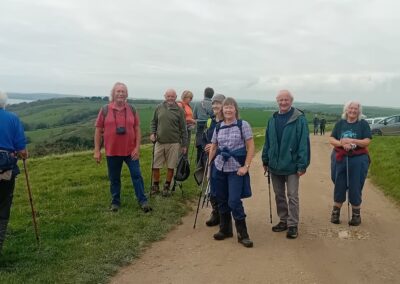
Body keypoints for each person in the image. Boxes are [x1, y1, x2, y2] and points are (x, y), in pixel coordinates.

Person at [94, 82, 151, 213]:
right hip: (112, 152)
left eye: (123, 91)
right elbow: (98, 130)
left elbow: (137, 128)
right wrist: (97, 150)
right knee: (114, 178)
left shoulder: (132, 109)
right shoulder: (105, 109)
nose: (120, 94)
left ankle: (143, 200)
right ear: (113, 94)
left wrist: (137, 147)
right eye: (118, 91)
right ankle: (115, 202)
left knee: (137, 175)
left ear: (126, 94)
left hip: (131, 150)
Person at [262, 90, 310, 239]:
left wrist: (303, 164)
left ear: (291, 101)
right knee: (279, 195)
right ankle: (283, 220)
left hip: (292, 165)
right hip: (274, 165)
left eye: (286, 100)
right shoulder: (272, 119)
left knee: (292, 195)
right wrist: (265, 160)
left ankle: (293, 224)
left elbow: (303, 143)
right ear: (277, 101)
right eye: (281, 100)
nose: (283, 102)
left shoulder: (299, 119)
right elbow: (268, 142)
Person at [208, 97, 255, 248]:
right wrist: (210, 167)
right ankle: (225, 229)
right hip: (219, 167)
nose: (228, 110)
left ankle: (243, 234)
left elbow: (251, 147)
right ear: (222, 110)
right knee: (221, 199)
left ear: (236, 109)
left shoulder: (243, 125)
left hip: (236, 169)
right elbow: (214, 147)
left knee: (234, 201)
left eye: (231, 107)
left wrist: (246, 166)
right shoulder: (218, 127)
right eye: (225, 107)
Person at [329, 101, 371, 226]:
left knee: (355, 185)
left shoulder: (363, 124)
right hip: (340, 157)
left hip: (358, 159)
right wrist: (342, 143)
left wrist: (353, 141)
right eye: (350, 108)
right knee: (339, 183)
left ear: (359, 111)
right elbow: (332, 138)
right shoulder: (340, 123)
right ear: (346, 110)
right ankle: (335, 213)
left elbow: (367, 141)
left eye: (355, 109)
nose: (353, 111)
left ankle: (356, 216)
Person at [0, 91, 28, 253]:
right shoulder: (13, 119)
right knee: (2, 209)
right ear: (5, 103)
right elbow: (22, 151)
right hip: (5, 173)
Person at [150, 89, 187, 197]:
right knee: (155, 165)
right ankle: (155, 186)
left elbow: (183, 128)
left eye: (172, 96)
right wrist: (153, 133)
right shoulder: (159, 108)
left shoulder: (180, 111)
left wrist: (184, 144)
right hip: (160, 142)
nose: (170, 98)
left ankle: (167, 187)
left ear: (176, 97)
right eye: (168, 96)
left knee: (171, 166)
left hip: (174, 143)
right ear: (165, 96)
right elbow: (154, 122)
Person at [201, 94, 225, 227]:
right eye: (214, 103)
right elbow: (204, 137)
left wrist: (216, 146)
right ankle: (215, 212)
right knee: (211, 187)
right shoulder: (210, 121)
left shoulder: (227, 122)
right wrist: (206, 145)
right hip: (209, 158)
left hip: (222, 160)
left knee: (221, 188)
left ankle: (223, 214)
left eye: (219, 103)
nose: (215, 106)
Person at [193, 87, 214, 164]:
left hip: (200, 128)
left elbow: (194, 117)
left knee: (199, 147)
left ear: (204, 94)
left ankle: (199, 164)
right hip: (210, 128)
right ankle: (207, 163)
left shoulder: (198, 103)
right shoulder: (214, 104)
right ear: (212, 95)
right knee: (208, 146)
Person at [177, 90, 196, 157]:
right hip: (182, 129)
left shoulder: (188, 105)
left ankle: (184, 163)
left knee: (186, 147)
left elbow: (189, 115)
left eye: (191, 98)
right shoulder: (180, 105)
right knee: (182, 147)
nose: (190, 99)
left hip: (189, 128)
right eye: (189, 98)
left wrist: (192, 121)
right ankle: (180, 165)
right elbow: (179, 118)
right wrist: (191, 120)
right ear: (184, 97)